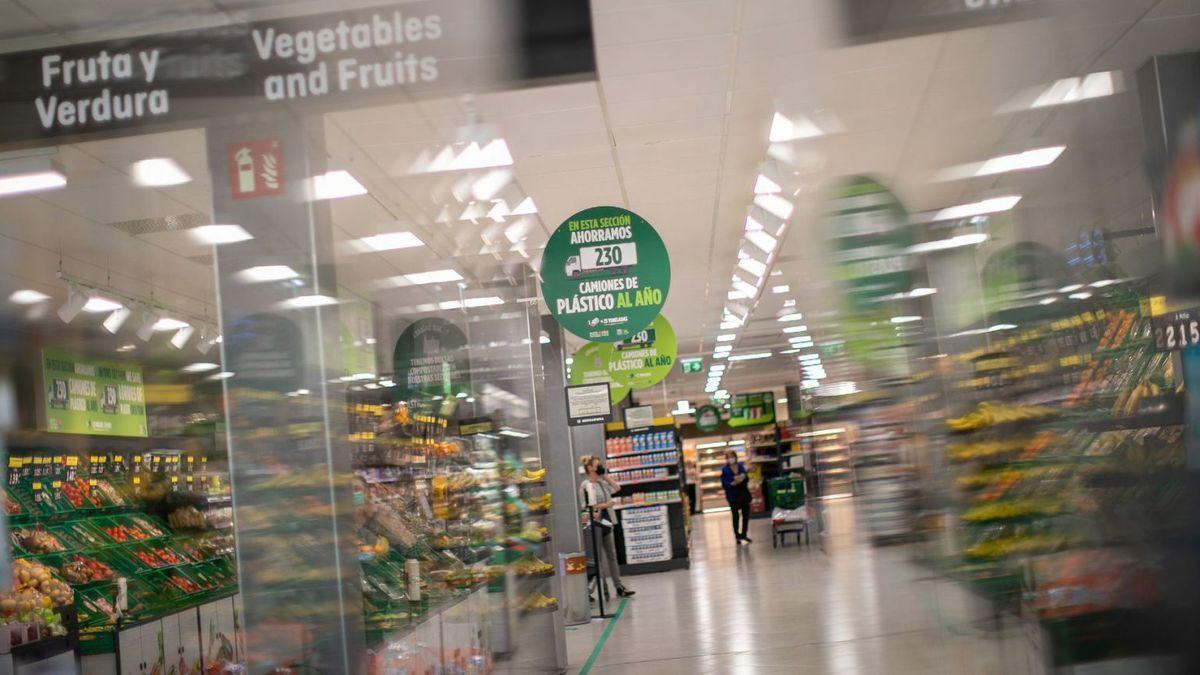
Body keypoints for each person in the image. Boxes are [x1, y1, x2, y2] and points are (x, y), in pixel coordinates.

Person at [578, 455, 635, 598]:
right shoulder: (585, 485)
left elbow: (617, 488)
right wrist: (605, 505)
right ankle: (592, 590)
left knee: (612, 556)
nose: (601, 466)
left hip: (608, 523)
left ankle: (619, 586)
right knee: (596, 559)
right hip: (594, 525)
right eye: (598, 465)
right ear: (590, 467)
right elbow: (585, 507)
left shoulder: (602, 483)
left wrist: (604, 476)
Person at [720, 449, 753, 544]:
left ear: (735, 457)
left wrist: (743, 478)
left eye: (732, 456)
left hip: (743, 493)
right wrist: (732, 483)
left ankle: (744, 534)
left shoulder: (741, 466)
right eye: (729, 457)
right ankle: (737, 535)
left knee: (746, 515)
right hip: (733, 495)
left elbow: (746, 478)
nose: (731, 459)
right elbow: (724, 483)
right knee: (735, 516)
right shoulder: (725, 470)